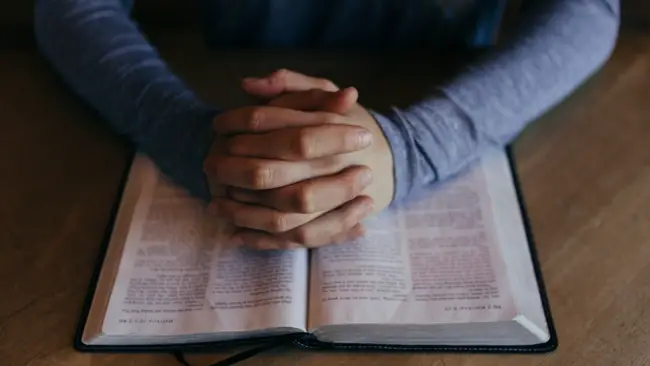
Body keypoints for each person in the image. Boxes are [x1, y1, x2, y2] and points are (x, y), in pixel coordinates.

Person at [33, 0, 620, 249]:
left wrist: (412, 148)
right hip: (227, 99)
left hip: (438, 96)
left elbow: (588, 9)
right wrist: (189, 134)